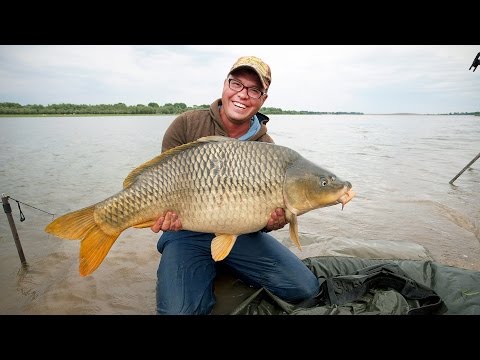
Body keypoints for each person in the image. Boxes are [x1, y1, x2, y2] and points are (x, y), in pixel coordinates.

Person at [150, 56, 320, 315]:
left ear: (263, 99)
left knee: (305, 289)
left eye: (254, 90)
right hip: (186, 232)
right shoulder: (187, 124)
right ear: (225, 85)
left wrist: (273, 222)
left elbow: (262, 219)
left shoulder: (267, 148)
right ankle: (202, 266)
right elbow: (161, 182)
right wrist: (165, 216)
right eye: (237, 84)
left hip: (241, 236)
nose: (243, 94)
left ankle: (224, 263)